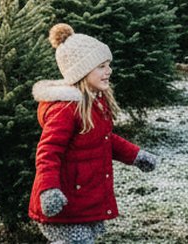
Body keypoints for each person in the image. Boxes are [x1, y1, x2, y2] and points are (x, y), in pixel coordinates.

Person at [28, 23, 159, 244]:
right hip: (65, 204)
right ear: (81, 71)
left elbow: (105, 139)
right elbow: (47, 153)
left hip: (83, 200)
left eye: (108, 65)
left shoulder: (94, 102)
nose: (109, 71)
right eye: (101, 66)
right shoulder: (65, 109)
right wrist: (49, 190)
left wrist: (136, 155)